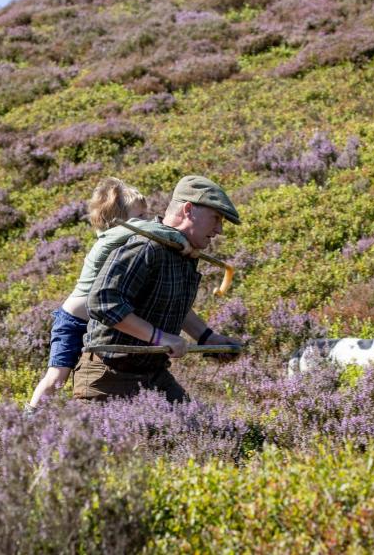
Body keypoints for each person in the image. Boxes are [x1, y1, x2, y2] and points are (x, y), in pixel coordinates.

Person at [26, 178, 195, 411]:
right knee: (57, 378)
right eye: (140, 217)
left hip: (97, 325)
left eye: (146, 216)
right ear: (116, 221)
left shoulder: (129, 241)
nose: (146, 221)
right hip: (74, 322)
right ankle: (30, 417)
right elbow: (146, 230)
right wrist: (176, 236)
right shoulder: (110, 238)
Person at [73, 175, 243, 403]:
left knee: (198, 431)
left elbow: (171, 306)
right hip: (107, 377)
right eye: (216, 218)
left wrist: (207, 337)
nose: (220, 229)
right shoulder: (146, 246)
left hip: (153, 375)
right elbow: (103, 302)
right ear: (189, 209)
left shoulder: (184, 252)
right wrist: (160, 338)